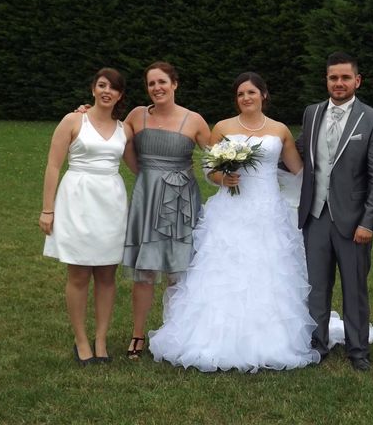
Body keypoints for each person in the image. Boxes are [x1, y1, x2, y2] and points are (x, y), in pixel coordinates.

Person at [149, 72, 320, 372]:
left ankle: (272, 339)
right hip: (230, 210)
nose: (246, 98)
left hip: (268, 212)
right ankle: (212, 337)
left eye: (251, 92)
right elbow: (209, 170)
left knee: (269, 272)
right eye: (241, 94)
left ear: (264, 95)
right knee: (222, 271)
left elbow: (297, 170)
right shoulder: (224, 127)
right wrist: (222, 177)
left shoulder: (280, 130)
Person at [298, 52, 373, 371]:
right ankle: (317, 344)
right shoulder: (311, 113)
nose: (339, 83)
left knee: (354, 286)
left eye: (345, 78)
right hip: (315, 215)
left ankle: (358, 348)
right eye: (333, 78)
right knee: (316, 286)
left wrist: (368, 221)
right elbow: (298, 154)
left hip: (353, 220)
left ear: (357, 81)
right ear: (327, 80)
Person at [40, 68, 135, 365]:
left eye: (113, 88)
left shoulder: (125, 129)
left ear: (120, 95)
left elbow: (138, 167)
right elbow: (54, 166)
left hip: (111, 202)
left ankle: (101, 339)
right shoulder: (73, 120)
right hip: (77, 199)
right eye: (102, 85)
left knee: (107, 274)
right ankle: (81, 340)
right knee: (79, 273)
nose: (107, 91)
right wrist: (47, 208)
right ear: (93, 89)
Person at [120, 61, 210, 358]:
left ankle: (176, 331)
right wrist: (148, 177)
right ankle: (138, 334)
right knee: (145, 270)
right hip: (148, 199)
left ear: (175, 84)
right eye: (151, 84)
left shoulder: (194, 120)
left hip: (182, 200)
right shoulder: (136, 116)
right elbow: (116, 141)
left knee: (178, 269)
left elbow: (215, 159)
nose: (157, 88)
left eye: (162, 82)